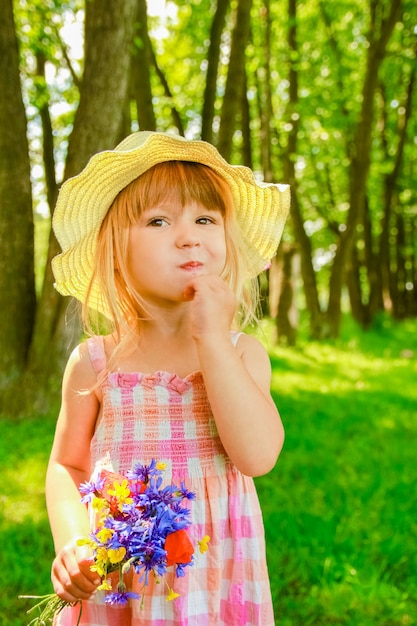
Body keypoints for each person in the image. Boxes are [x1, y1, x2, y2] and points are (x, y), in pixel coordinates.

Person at [46, 131, 290, 626]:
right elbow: (67, 465)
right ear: (116, 250)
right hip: (121, 576)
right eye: (158, 221)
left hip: (213, 572)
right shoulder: (96, 362)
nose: (188, 236)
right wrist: (72, 540)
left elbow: (257, 456)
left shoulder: (241, 354)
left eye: (205, 219)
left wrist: (212, 339)